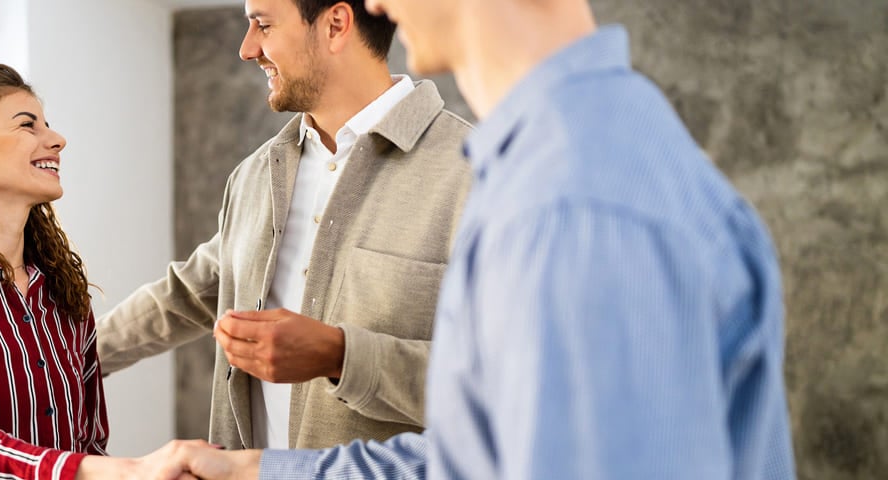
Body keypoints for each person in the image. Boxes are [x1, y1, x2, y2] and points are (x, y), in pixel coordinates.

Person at [174, 0, 798, 478]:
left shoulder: (572, 206)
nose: (379, 5)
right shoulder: (571, 164)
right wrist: (259, 468)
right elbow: (485, 456)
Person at [97, 0, 472, 452]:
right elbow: (192, 292)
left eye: (264, 25)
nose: (246, 48)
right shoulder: (256, 175)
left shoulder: (473, 174)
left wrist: (341, 356)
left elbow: (504, 385)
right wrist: (63, 362)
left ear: (335, 25)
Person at [0, 62, 207, 480]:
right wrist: (131, 470)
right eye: (29, 126)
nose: (57, 140)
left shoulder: (64, 290)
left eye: (49, 125)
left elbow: (90, 440)